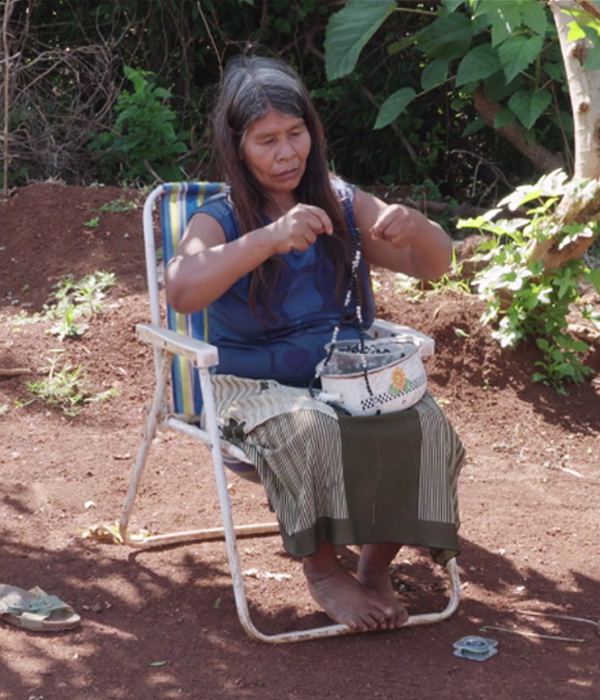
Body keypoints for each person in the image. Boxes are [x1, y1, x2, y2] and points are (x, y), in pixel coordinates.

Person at [165, 54, 465, 632]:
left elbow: (433, 266)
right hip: (253, 388)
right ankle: (324, 571)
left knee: (422, 422)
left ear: (313, 133)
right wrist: (268, 239)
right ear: (237, 148)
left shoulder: (341, 202)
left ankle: (375, 565)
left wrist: (420, 230)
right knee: (312, 428)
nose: (286, 153)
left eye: (296, 133)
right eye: (266, 140)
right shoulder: (220, 218)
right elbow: (181, 289)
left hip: (345, 376)